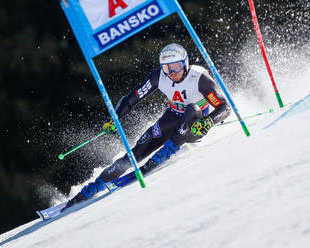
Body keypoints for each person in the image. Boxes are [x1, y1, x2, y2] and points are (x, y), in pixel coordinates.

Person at [63, 43, 231, 208]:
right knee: (140, 147)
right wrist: (116, 119)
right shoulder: (159, 77)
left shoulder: (199, 78)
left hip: (193, 125)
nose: (172, 73)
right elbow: (131, 98)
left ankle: (162, 155)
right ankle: (91, 189)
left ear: (185, 64)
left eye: (176, 67)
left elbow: (225, 106)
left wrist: (209, 121)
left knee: (191, 108)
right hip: (171, 118)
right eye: (167, 68)